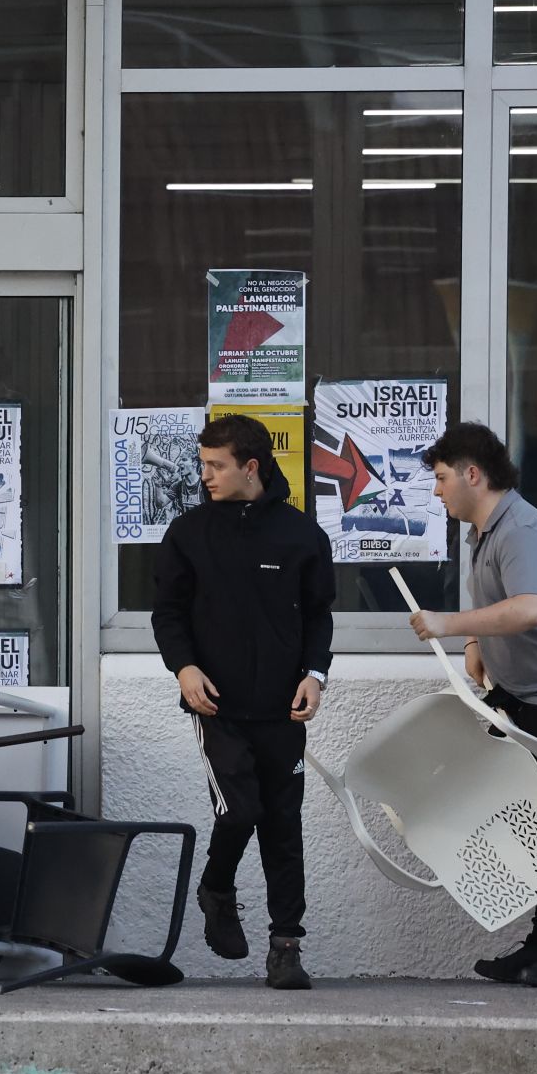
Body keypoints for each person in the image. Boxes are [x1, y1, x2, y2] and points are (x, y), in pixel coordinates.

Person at [410, 422, 537, 989]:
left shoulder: (522, 529)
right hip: (531, 702)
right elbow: (500, 604)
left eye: (442, 477)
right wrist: (478, 643)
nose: (437, 491)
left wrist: (450, 626)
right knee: (534, 824)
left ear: (473, 475)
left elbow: (528, 609)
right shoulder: (485, 532)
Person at [152, 412, 334, 990]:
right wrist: (183, 668)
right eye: (203, 464)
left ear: (249, 467)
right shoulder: (187, 533)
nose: (204, 475)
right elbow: (168, 614)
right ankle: (218, 888)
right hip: (218, 708)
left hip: (283, 708)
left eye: (215, 466)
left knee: (283, 824)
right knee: (241, 811)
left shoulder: (303, 535)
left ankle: (286, 947)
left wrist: (315, 675)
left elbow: (319, 618)